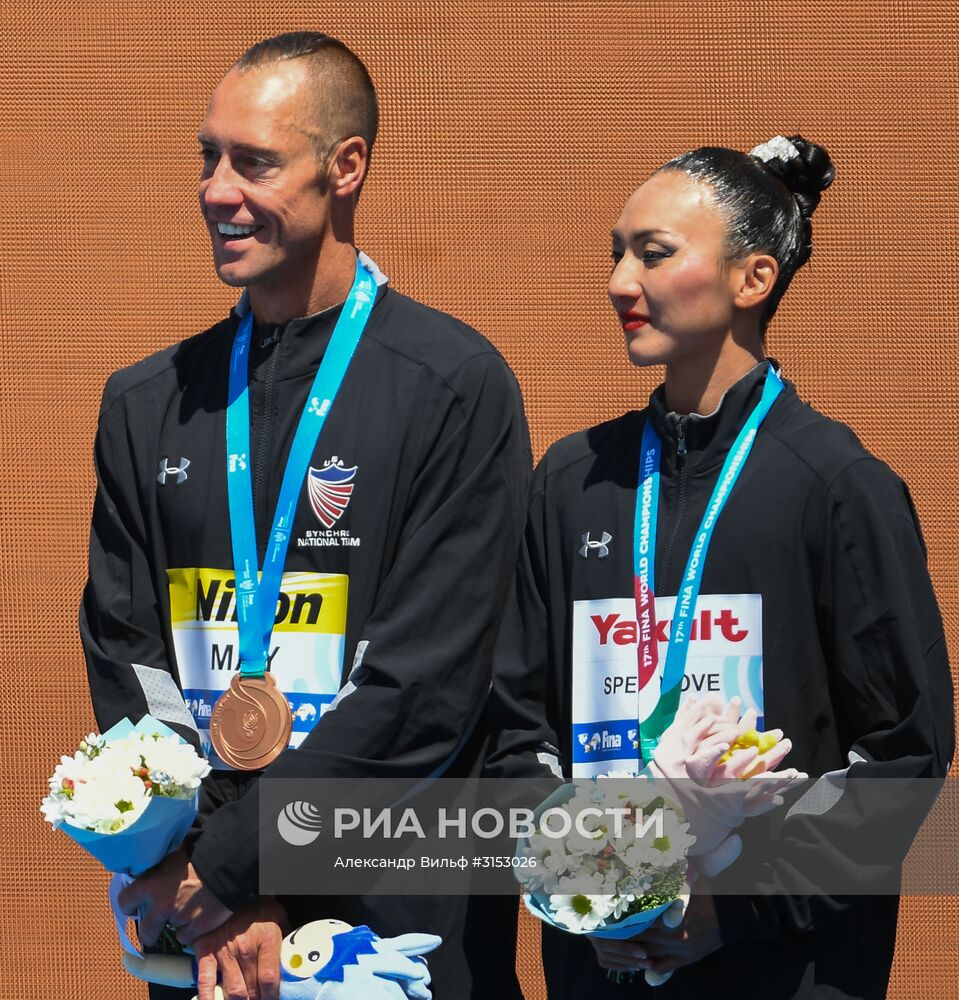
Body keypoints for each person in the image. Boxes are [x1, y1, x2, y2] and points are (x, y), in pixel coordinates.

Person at [79, 31, 530, 1000]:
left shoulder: (451, 386)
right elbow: (130, 657)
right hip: (197, 924)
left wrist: (248, 867)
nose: (215, 188)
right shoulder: (148, 399)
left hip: (385, 922)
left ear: (346, 167)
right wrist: (183, 854)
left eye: (254, 161)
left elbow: (425, 684)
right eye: (208, 156)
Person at [485, 135, 954, 997]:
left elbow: (902, 757)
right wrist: (591, 883)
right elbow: (516, 724)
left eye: (654, 254)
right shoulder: (571, 481)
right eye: (616, 254)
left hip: (781, 967)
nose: (621, 282)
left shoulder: (835, 486)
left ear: (753, 279)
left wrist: (732, 906)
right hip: (600, 959)